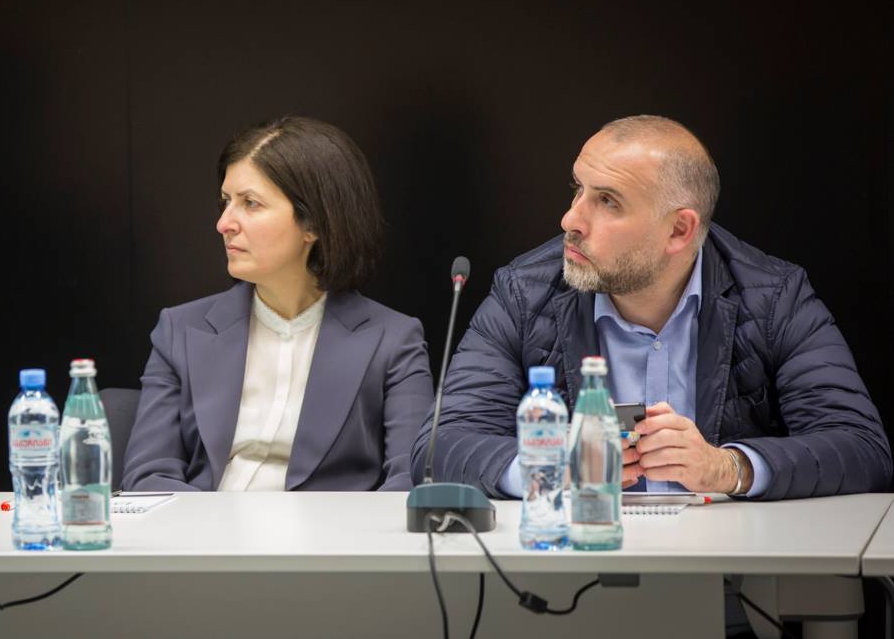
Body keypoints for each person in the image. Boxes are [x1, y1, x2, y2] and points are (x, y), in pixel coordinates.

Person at [414, 114, 891, 500]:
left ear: (679, 230)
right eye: (578, 190)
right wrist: (553, 470)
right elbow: (440, 447)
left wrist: (729, 468)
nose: (570, 220)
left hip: (732, 572)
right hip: (572, 567)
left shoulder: (772, 297)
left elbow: (861, 446)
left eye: (607, 201)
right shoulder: (524, 292)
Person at [123, 117, 433, 491]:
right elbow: (148, 476)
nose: (224, 223)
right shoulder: (180, 330)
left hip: (331, 529)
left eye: (251, 203)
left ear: (314, 223)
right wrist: (215, 526)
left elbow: (411, 482)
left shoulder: (393, 340)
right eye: (226, 202)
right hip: (205, 524)